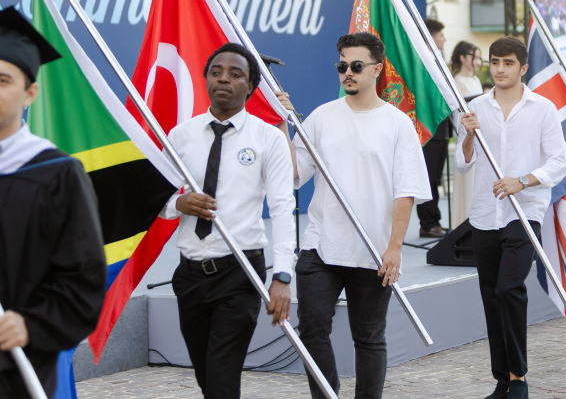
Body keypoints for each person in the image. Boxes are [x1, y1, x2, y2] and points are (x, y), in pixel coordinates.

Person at [0, 7, 106, 398]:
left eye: (2, 80)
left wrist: (32, 323)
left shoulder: (57, 174)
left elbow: (82, 280)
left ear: (30, 92)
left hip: (10, 366)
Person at [277, 32, 431, 399]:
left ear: (376, 69)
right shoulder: (320, 117)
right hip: (321, 245)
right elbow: (294, 174)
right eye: (342, 65)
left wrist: (394, 248)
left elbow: (405, 191)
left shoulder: (397, 124)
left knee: (369, 337)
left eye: (356, 66)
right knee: (312, 330)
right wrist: (283, 124)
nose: (348, 72)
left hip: (373, 251)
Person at [161, 43, 296, 399]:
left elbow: (283, 207)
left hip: (240, 272)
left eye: (235, 74)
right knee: (207, 375)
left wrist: (283, 275)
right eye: (216, 72)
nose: (224, 79)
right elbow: (156, 202)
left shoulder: (268, 139)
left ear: (251, 86)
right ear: (205, 78)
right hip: (189, 275)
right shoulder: (180, 136)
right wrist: (180, 203)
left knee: (222, 377)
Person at [457, 36, 566, 399]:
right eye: (494, 62)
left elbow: (558, 163)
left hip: (525, 212)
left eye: (507, 63)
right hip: (485, 215)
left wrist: (523, 181)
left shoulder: (543, 108)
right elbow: (462, 162)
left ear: (523, 68)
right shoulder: (475, 107)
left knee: (509, 288)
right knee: (491, 297)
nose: (500, 69)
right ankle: (502, 379)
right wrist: (469, 135)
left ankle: (519, 377)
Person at [418, 19, 450, 238]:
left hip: (442, 127)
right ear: (430, 36)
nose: (444, 39)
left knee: (436, 178)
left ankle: (434, 220)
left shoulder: (438, 61)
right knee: (427, 177)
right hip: (428, 128)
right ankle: (427, 223)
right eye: (440, 35)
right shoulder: (422, 61)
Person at [450, 41, 483, 229]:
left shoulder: (476, 80)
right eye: (474, 57)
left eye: (479, 57)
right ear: (463, 58)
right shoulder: (457, 80)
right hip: (468, 137)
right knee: (467, 181)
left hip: (480, 136)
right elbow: (459, 114)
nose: (477, 62)